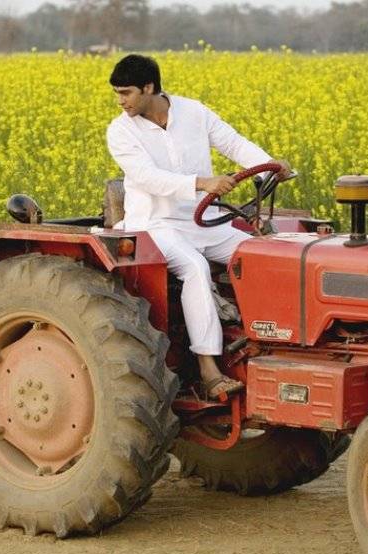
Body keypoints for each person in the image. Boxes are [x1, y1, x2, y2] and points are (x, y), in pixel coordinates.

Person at [105, 54, 291, 398]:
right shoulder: (120, 130)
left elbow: (233, 144)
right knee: (194, 266)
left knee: (260, 255)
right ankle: (208, 370)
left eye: (126, 93)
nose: (121, 101)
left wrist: (269, 165)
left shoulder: (193, 111)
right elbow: (147, 177)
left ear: (149, 87)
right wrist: (202, 183)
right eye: (117, 93)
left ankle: (278, 350)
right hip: (155, 225)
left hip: (203, 220)